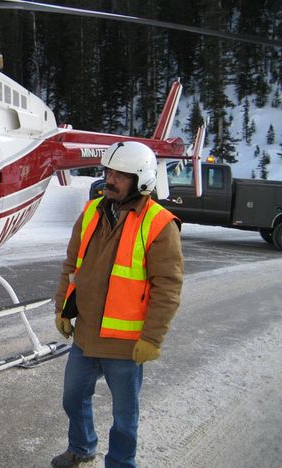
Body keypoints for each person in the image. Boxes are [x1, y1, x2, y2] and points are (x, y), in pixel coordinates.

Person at [51, 141, 184, 468]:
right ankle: (81, 448)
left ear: (142, 180)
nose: (110, 180)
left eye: (120, 175)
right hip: (86, 335)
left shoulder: (159, 224)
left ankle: (121, 464)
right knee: (72, 399)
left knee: (125, 416)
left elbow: (168, 286)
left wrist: (152, 337)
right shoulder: (92, 211)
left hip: (126, 343)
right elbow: (72, 265)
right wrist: (62, 308)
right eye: (108, 172)